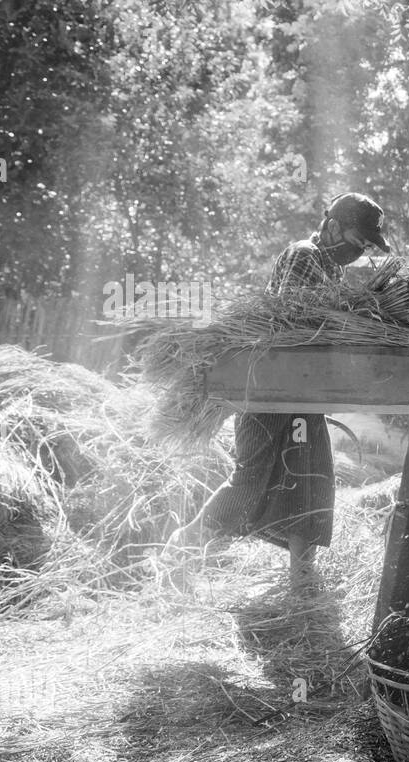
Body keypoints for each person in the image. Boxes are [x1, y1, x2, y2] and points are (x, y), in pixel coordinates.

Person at [163, 192, 390, 566]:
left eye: (367, 247)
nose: (360, 253)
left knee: (310, 479)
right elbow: (298, 323)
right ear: (333, 226)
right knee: (250, 481)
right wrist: (356, 315)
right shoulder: (305, 255)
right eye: (357, 242)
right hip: (268, 388)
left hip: (300, 393)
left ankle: (303, 580)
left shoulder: (332, 267)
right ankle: (183, 547)